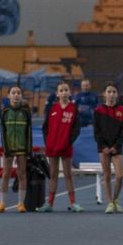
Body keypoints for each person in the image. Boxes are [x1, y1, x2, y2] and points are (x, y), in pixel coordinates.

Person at [41, 81, 82, 211]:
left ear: (69, 93)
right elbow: (45, 127)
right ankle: (50, 204)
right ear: (57, 94)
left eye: (66, 90)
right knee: (53, 175)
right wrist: (48, 142)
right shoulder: (52, 109)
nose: (64, 93)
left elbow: (76, 129)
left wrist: (68, 142)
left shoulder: (73, 109)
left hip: (66, 148)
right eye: (61, 90)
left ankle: (73, 202)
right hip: (52, 148)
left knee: (68, 175)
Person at [0, 84, 30, 213]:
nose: (16, 95)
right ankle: (2, 203)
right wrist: (5, 148)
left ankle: (21, 203)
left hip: (22, 147)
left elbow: (28, 131)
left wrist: (28, 149)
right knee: (6, 174)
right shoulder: (4, 112)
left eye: (18, 93)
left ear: (21, 96)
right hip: (8, 148)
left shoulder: (25, 112)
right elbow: (2, 133)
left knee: (22, 174)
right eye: (13, 93)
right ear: (8, 96)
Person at [92, 83, 123, 213]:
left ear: (117, 94)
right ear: (104, 94)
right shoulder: (98, 111)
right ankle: (110, 203)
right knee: (106, 175)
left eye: (114, 92)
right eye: (109, 92)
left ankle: (115, 199)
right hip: (104, 148)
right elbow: (96, 131)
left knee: (120, 176)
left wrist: (116, 146)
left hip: (116, 148)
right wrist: (104, 147)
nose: (111, 94)